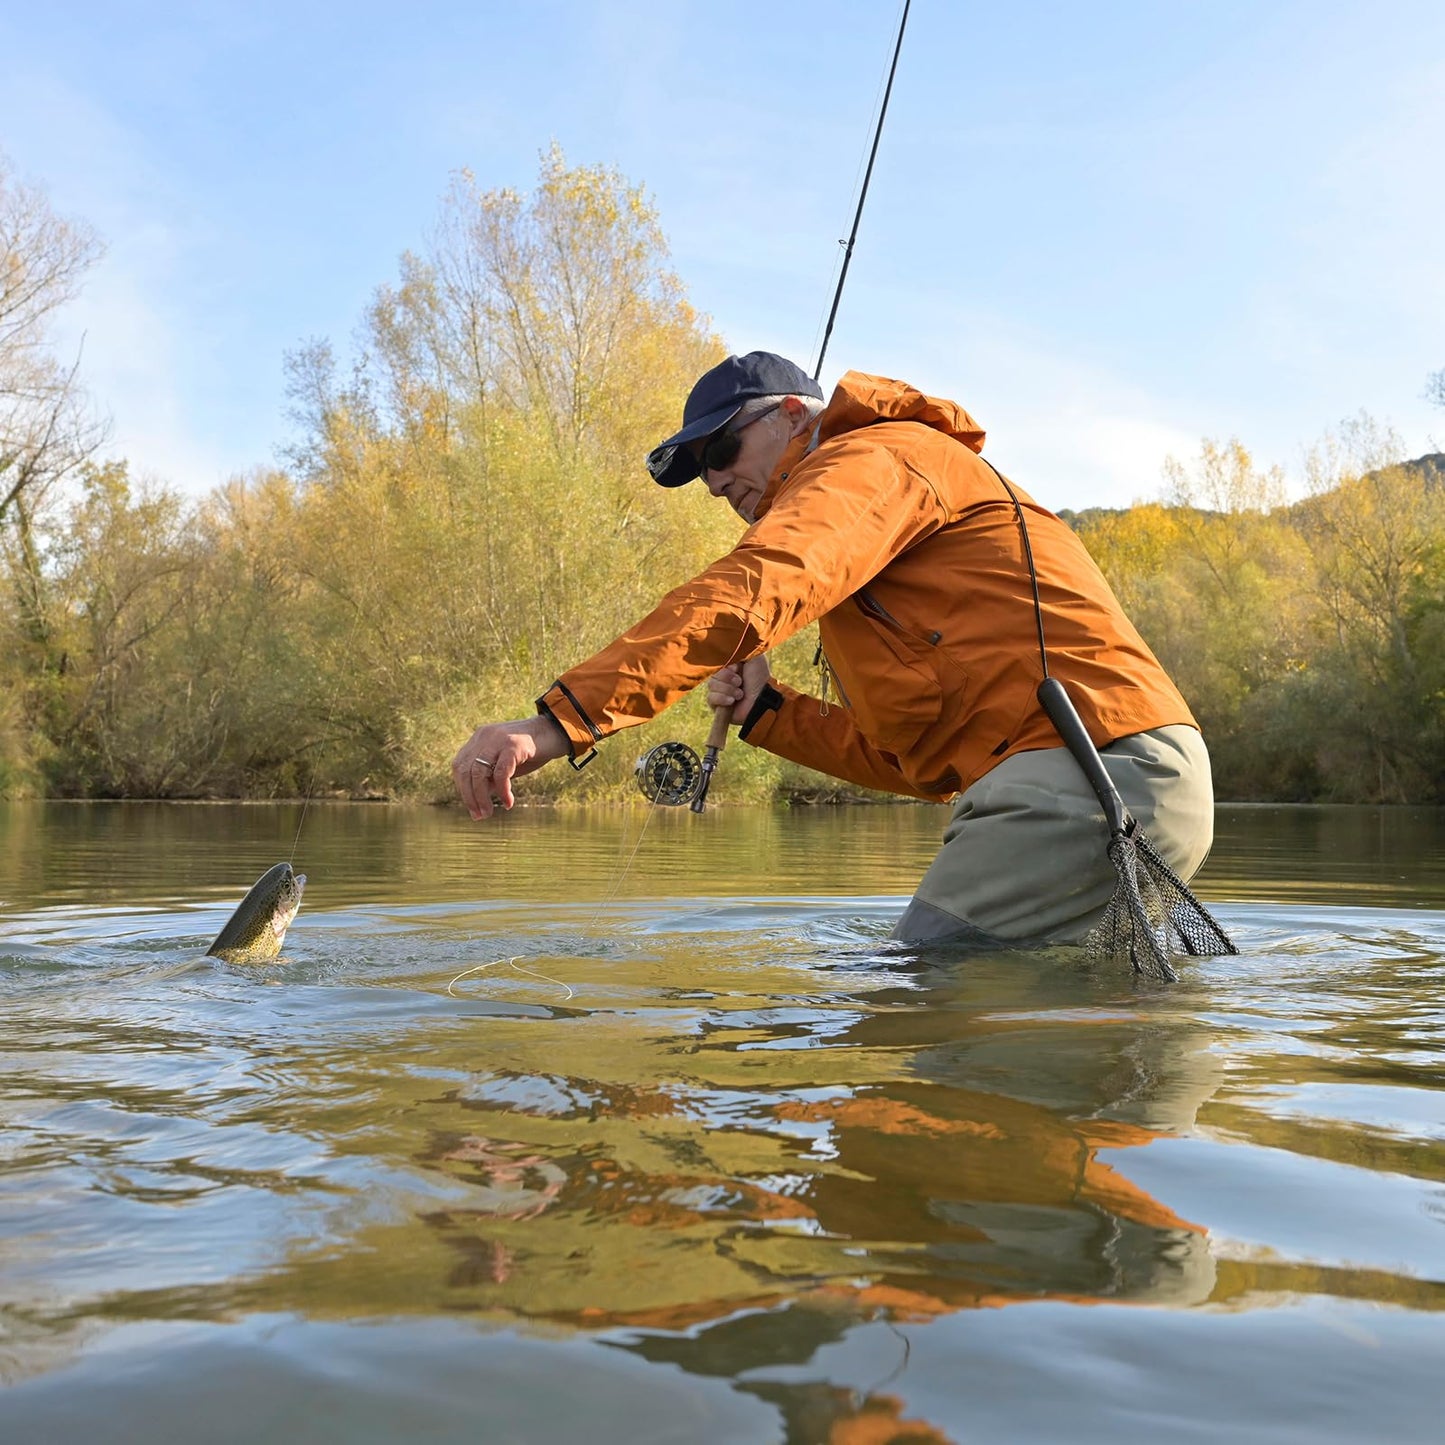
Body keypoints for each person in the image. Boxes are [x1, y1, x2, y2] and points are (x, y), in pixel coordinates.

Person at [451, 351, 1214, 945]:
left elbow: (752, 589)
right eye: (701, 475)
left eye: (722, 448)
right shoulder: (872, 565)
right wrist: (768, 711)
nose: (715, 483)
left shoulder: (874, 458)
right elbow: (922, 768)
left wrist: (555, 723)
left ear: (791, 414)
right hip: (1113, 781)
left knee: (912, 991)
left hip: (1096, 768)